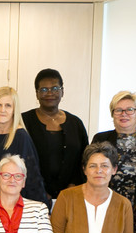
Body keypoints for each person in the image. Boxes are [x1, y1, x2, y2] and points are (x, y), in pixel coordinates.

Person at [0, 86, 49, 205]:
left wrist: (41, 209)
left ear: (14, 110)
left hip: (12, 208)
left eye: (8, 105)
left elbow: (33, 178)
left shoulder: (21, 137)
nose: (2, 110)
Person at [22, 68, 88, 201]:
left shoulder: (75, 123)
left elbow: (85, 159)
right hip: (31, 196)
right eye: (44, 89)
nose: (50, 93)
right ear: (37, 94)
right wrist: (39, 190)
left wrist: (73, 185)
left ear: (62, 91)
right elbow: (18, 159)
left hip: (70, 196)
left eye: (55, 88)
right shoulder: (23, 121)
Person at [91, 91, 136, 204]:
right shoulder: (100, 139)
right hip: (105, 205)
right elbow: (90, 171)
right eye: (118, 110)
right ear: (112, 114)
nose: (123, 114)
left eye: (130, 110)